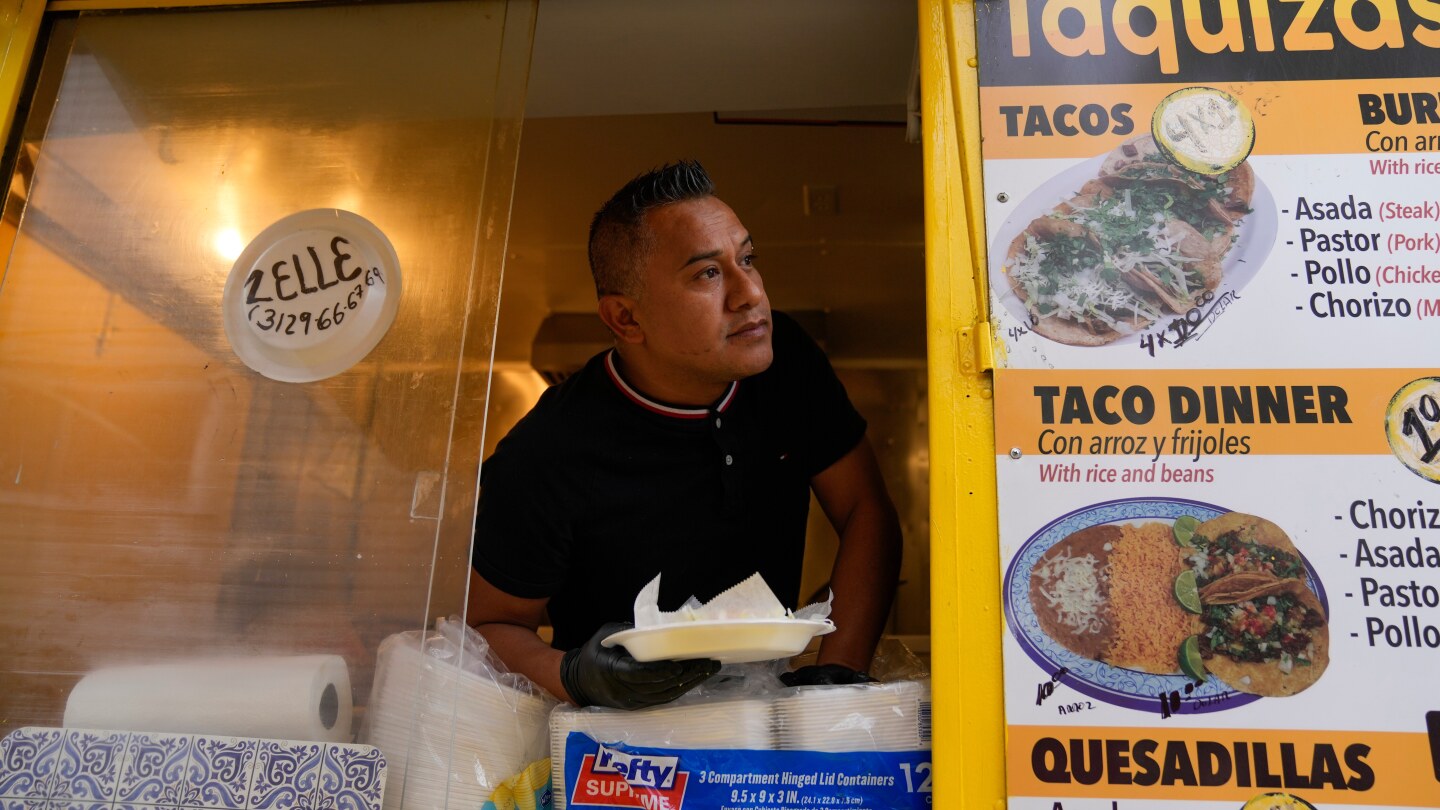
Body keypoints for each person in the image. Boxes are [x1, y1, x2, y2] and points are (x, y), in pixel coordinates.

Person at [468, 160, 902, 710]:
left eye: (747, 259)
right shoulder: (546, 453)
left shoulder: (786, 363)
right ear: (625, 318)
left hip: (767, 719)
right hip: (623, 740)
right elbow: (487, 625)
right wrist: (575, 675)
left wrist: (836, 675)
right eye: (707, 274)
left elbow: (867, 507)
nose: (750, 294)